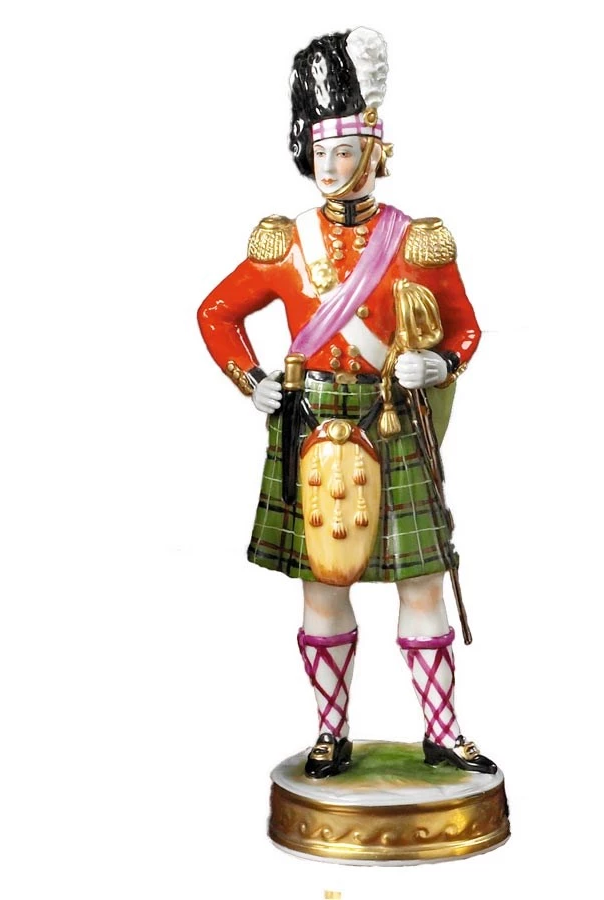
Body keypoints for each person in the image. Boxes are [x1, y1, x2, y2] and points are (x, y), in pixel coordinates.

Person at [198, 27, 496, 779]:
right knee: (324, 584)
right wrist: (251, 379)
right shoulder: (285, 244)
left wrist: (440, 361)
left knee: (421, 582)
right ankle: (331, 733)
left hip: (394, 419)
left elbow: (466, 328)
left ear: (375, 150)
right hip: (311, 424)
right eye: (320, 153)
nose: (329, 168)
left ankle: (442, 733)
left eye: (344, 152)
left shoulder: (418, 242)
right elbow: (216, 314)